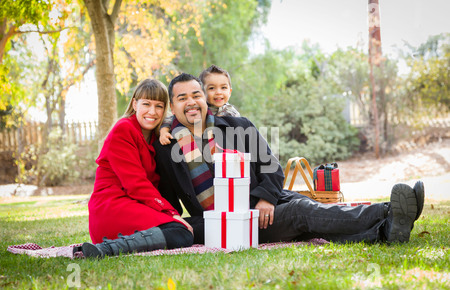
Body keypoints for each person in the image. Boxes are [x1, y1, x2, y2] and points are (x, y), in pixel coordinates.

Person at [153, 73, 425, 245]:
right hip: (230, 223)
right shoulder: (166, 147)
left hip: (264, 200)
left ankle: (387, 230)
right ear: (173, 106)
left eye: (196, 94)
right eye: (182, 98)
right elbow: (164, 200)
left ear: (204, 98)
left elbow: (271, 164)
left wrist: (266, 198)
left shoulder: (237, 125)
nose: (191, 101)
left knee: (306, 208)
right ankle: (389, 211)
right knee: (301, 214)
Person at [82, 79, 194, 259]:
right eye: (146, 104)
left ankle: (110, 246)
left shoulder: (155, 138)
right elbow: (136, 184)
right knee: (181, 232)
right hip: (113, 208)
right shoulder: (124, 129)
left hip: (136, 205)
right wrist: (171, 213)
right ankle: (106, 249)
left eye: (159, 106)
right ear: (135, 104)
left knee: (194, 227)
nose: (152, 111)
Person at [159, 65, 240, 145]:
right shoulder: (199, 110)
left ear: (230, 91)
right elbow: (169, 120)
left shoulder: (232, 113)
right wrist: (164, 131)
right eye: (212, 88)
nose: (218, 92)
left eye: (223, 88)